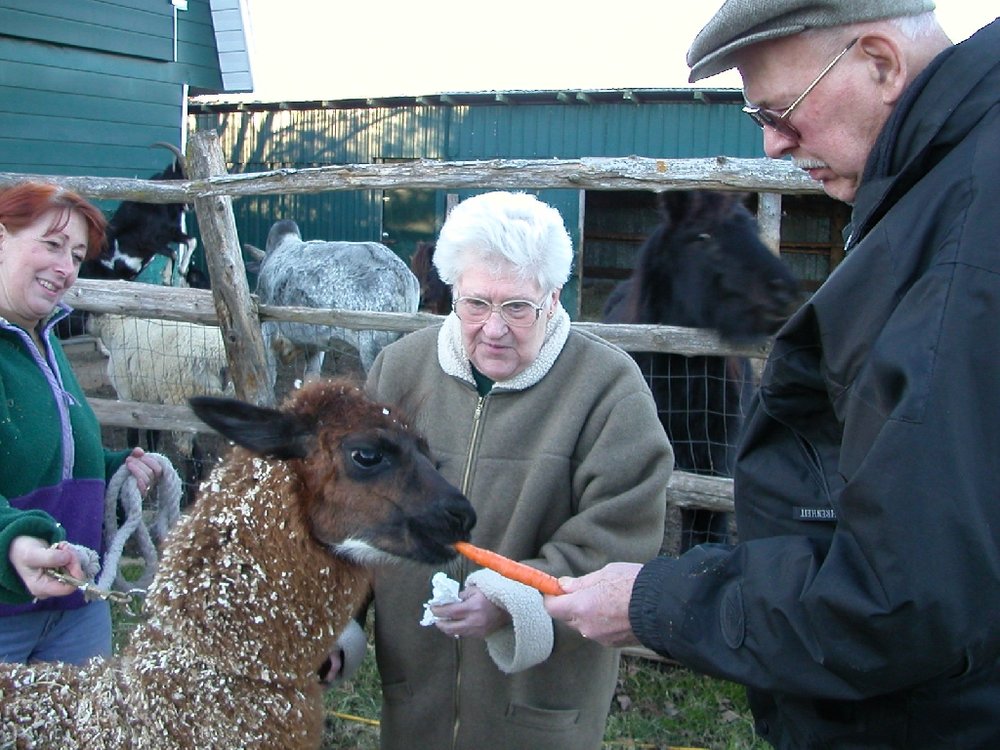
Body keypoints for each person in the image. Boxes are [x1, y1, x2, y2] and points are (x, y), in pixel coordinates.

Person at [545, 2, 1000, 747]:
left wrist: (658, 601)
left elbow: (906, 597)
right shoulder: (943, 187)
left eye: (781, 109)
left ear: (881, 63)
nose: (772, 140)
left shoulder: (968, 229)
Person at [360, 191, 672, 750]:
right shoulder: (399, 370)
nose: (493, 328)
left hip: (537, 704)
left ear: (553, 299)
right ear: (451, 293)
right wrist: (338, 624)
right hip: (414, 695)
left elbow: (619, 536)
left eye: (517, 307)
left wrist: (509, 599)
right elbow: (355, 514)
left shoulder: (607, 388)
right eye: (476, 304)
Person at [0, 181, 163, 665]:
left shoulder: (44, 341)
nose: (65, 268)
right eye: (51, 245)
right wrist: (13, 541)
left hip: (76, 605)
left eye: (74, 255)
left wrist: (116, 472)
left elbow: (53, 454)